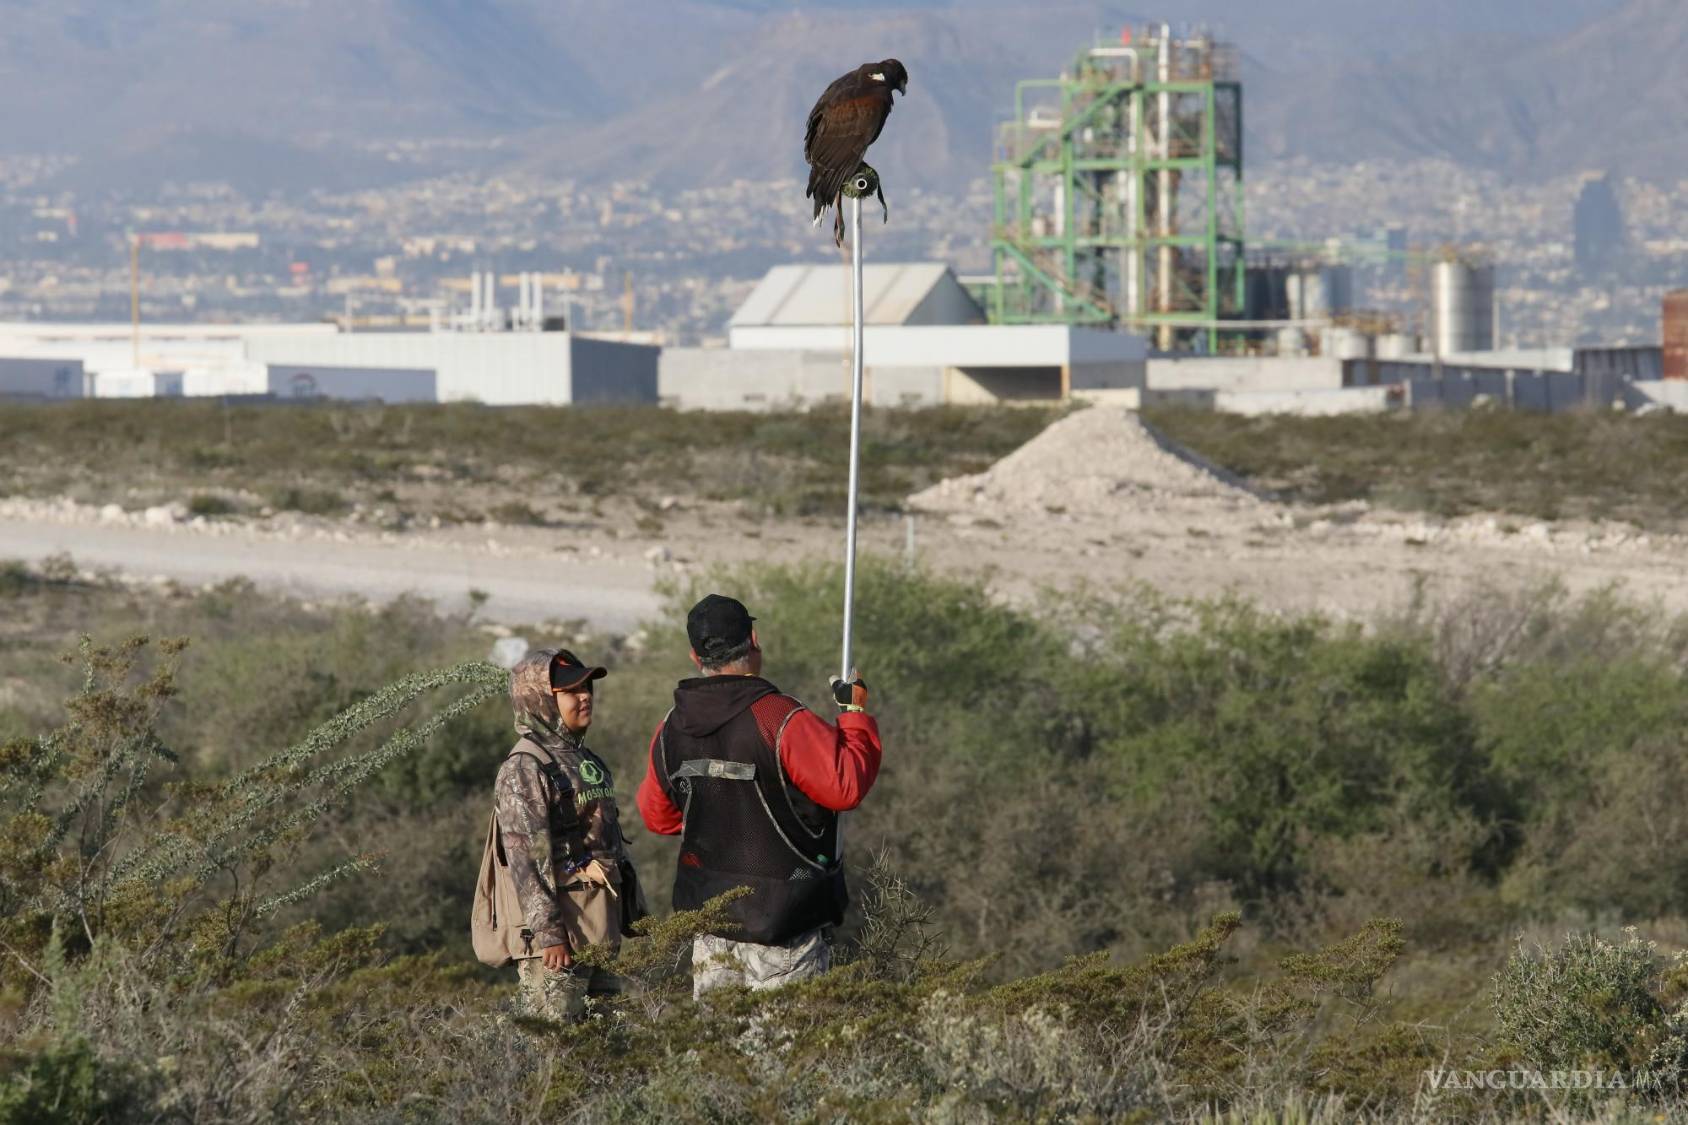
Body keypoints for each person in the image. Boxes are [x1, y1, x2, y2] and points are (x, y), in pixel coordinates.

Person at [636, 594, 882, 997]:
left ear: (695, 656)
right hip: (783, 927)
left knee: (718, 1054)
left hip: (712, 925)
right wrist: (853, 717)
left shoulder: (670, 728)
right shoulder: (780, 717)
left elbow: (657, 817)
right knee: (784, 1056)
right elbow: (845, 787)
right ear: (753, 639)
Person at [495, 648, 646, 1021]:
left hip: (598, 930)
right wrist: (550, 935)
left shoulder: (587, 760)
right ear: (541, 699)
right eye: (571, 691)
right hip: (558, 946)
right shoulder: (525, 766)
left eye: (587, 687)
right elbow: (526, 859)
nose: (585, 697)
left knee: (607, 1051)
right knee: (557, 1053)